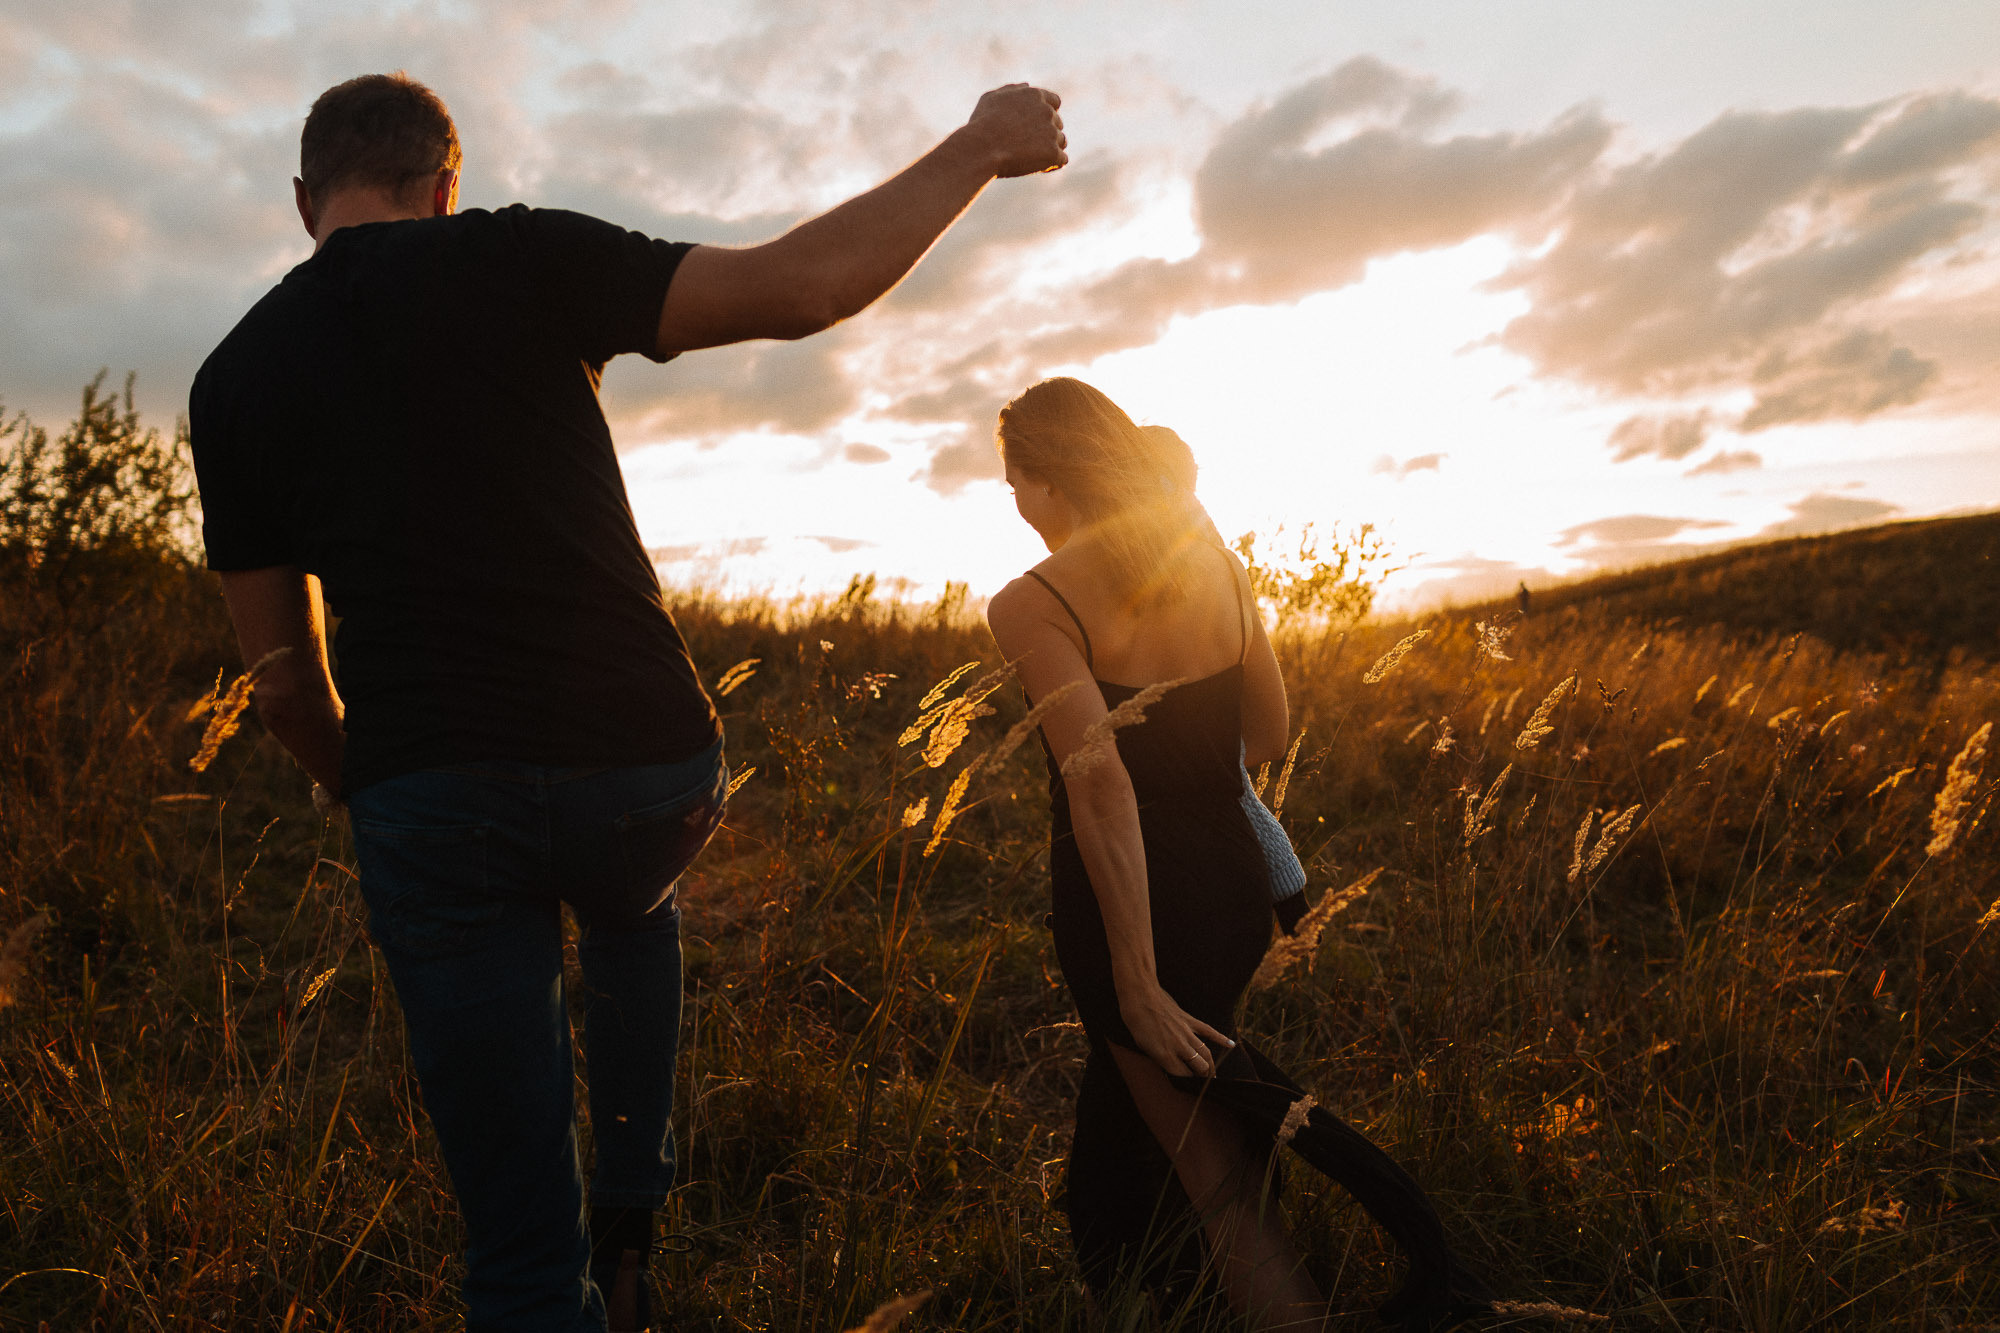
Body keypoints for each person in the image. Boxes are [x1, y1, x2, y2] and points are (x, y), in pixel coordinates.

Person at [187, 72, 1064, 1332]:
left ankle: (567, 1270)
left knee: (516, 1252)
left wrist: (370, 790)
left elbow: (283, 685)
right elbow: (804, 287)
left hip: (429, 790)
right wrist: (980, 147)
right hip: (643, 768)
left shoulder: (232, 378)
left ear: (301, 200)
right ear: (446, 184)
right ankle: (637, 1209)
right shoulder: (520, 251)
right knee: (628, 898)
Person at [984, 378, 1492, 1330]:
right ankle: (1150, 1295)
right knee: (1146, 1124)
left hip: (1129, 912)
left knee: (1212, 1176)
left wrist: (1135, 981)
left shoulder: (1030, 602)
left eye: (1014, 482)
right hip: (1231, 890)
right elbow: (1267, 731)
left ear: (1048, 484)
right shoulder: (1215, 564)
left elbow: (1098, 783)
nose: (1015, 503)